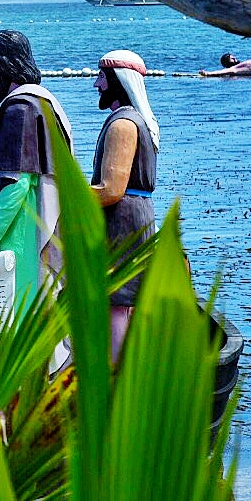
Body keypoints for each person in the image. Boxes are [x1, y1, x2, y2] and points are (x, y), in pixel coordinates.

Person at [0, 30, 76, 315]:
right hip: (50, 229)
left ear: (5, 64)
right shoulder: (41, 103)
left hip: (26, 235)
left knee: (17, 320)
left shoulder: (20, 109)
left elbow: (16, 183)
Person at [91, 49, 160, 361]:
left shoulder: (123, 124)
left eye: (102, 77)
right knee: (123, 300)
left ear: (117, 81)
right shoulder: (135, 121)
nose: (96, 84)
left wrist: (66, 195)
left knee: (117, 300)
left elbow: (110, 190)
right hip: (136, 215)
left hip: (124, 220)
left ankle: (115, 369)